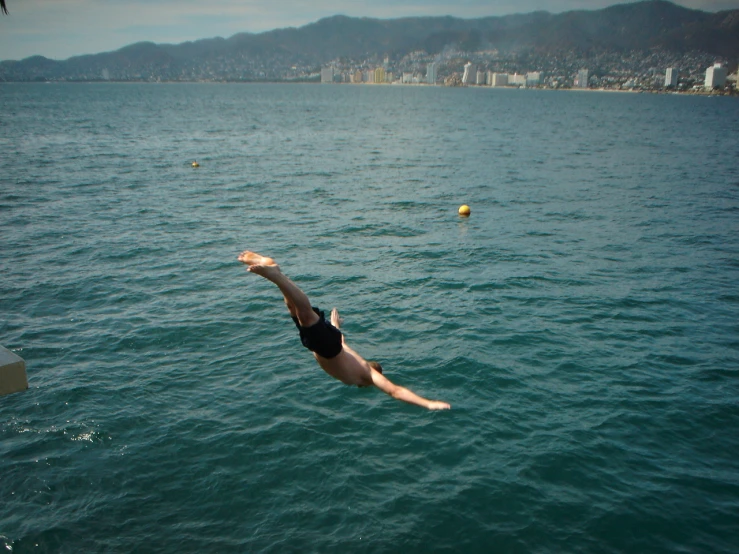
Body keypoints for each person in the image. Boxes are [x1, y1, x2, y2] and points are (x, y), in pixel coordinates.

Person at [238, 250, 451, 410]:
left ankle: (275, 274)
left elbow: (342, 341)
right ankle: (276, 275)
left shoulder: (357, 361)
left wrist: (334, 325)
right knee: (302, 312)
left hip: (329, 343)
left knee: (294, 309)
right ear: (374, 373)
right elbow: (395, 391)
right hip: (327, 348)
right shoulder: (366, 375)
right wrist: (428, 403)